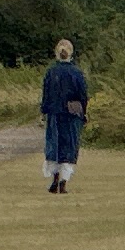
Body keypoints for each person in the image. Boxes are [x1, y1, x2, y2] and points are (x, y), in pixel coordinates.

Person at [39, 38, 88, 192]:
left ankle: (54, 179)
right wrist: (84, 112)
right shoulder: (77, 73)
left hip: (54, 113)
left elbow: (46, 94)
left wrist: (43, 112)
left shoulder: (51, 72)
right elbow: (83, 95)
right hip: (72, 114)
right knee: (69, 146)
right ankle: (64, 182)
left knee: (55, 145)